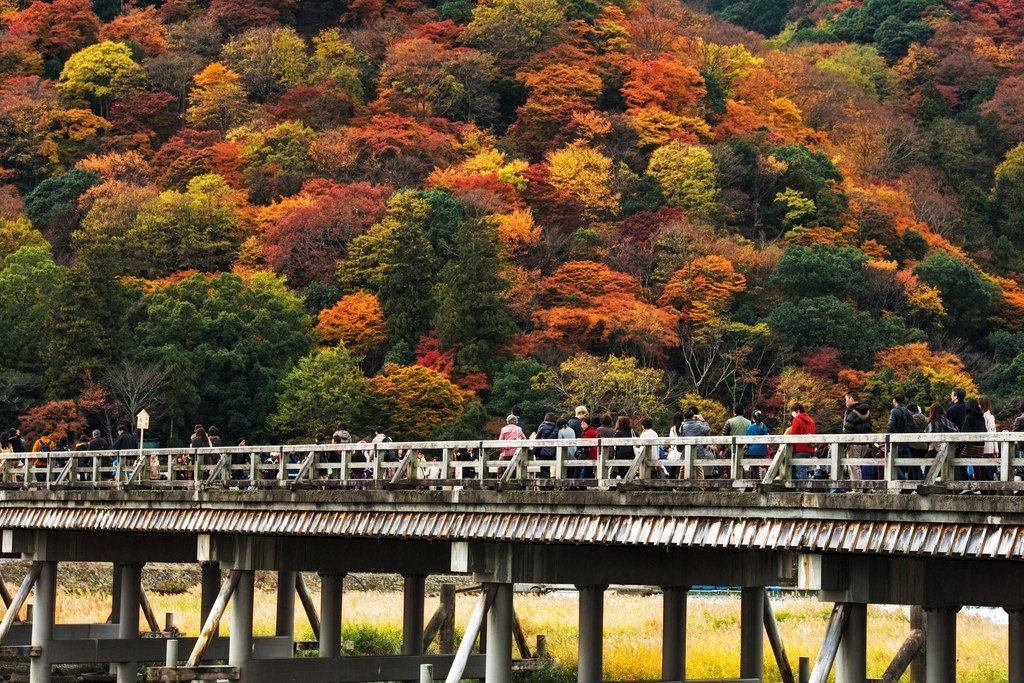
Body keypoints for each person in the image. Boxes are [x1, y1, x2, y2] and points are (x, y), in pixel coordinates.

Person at [887, 393, 920, 481]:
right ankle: (904, 486)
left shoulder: (895, 411)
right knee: (902, 464)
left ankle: (904, 482)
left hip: (897, 442)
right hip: (906, 442)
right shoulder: (908, 412)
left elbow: (890, 426)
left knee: (891, 462)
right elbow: (913, 427)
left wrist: (888, 437)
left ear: (895, 400)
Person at [842, 391, 873, 480]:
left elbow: (847, 429)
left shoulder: (851, 412)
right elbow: (870, 427)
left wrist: (843, 444)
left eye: (846, 399)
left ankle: (857, 488)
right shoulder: (866, 411)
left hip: (854, 443)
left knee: (854, 466)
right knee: (858, 465)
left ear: (851, 399)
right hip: (865, 442)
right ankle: (859, 486)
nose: (845, 402)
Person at [959, 398, 988, 482]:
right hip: (980, 445)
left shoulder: (969, 417)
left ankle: (965, 481)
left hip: (970, 445)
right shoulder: (981, 417)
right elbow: (985, 430)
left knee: (960, 462)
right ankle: (978, 485)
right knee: (977, 465)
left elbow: (965, 431)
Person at [787, 402, 816, 480]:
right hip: (809, 449)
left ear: (797, 411)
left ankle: (803, 488)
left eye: (793, 411)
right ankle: (805, 487)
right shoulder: (811, 421)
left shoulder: (797, 420)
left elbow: (793, 436)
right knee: (805, 470)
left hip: (799, 449)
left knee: (800, 469)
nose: (792, 414)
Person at [681, 410, 712, 477]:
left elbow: (680, 431)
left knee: (683, 468)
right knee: (699, 470)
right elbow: (707, 429)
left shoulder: (683, 425)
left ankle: (680, 487)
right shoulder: (698, 425)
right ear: (693, 416)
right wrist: (702, 420)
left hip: (686, 450)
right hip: (697, 451)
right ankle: (701, 487)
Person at [745, 411, 770, 478]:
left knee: (754, 469)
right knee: (760, 468)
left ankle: (756, 485)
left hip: (753, 451)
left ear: (754, 418)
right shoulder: (764, 427)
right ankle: (759, 483)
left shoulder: (751, 427)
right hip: (762, 451)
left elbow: (747, 439)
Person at [534, 413, 559, 478]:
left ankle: (546, 485)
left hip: (542, 450)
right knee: (548, 468)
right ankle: (548, 484)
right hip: (552, 451)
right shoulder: (556, 427)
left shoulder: (542, 426)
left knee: (542, 469)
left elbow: (537, 438)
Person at [979, 396, 998, 481]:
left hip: (986, 445)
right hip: (990, 445)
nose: (978, 406)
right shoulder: (990, 416)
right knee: (988, 467)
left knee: (987, 468)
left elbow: (991, 432)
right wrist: (995, 449)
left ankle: (988, 487)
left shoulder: (985, 416)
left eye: (979, 404)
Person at [664, 412, 684, 478]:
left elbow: (671, 441)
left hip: (676, 450)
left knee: (673, 470)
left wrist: (672, 448)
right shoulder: (684, 426)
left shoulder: (673, 428)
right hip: (684, 450)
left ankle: (671, 486)